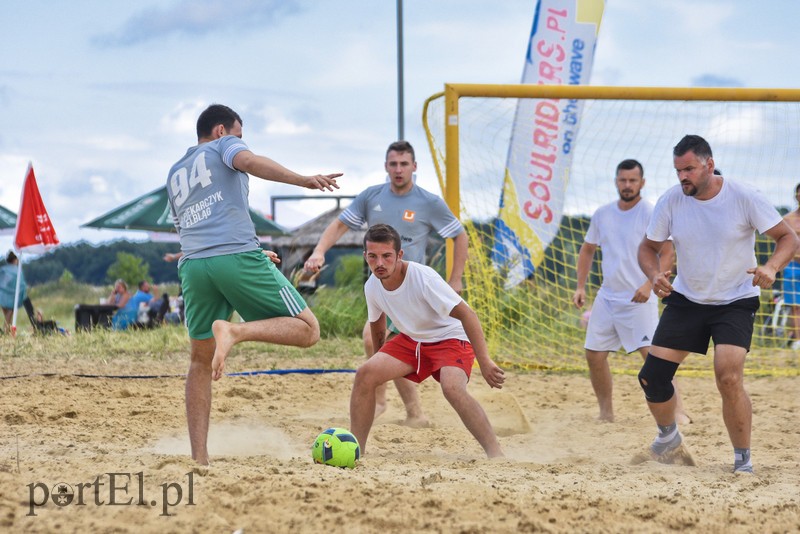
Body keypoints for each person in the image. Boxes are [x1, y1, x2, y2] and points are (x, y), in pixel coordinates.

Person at [166, 103, 341, 465]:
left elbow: (188, 229)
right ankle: (235, 331)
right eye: (239, 134)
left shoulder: (175, 171)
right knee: (308, 330)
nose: (241, 141)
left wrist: (252, 251)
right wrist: (303, 180)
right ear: (221, 130)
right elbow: (249, 161)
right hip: (235, 257)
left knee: (199, 362)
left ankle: (199, 458)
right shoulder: (223, 145)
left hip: (194, 266)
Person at [636, 134, 799, 473]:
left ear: (709, 165)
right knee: (652, 377)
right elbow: (647, 248)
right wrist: (653, 275)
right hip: (687, 299)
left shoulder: (744, 195)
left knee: (728, 377)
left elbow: (788, 237)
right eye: (678, 170)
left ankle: (743, 460)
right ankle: (668, 438)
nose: (683, 177)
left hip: (735, 300)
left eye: (689, 169)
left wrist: (771, 267)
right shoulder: (671, 200)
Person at [305, 140, 468, 427]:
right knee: (377, 340)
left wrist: (455, 280)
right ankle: (397, 406)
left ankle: (404, 408)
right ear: (385, 167)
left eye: (404, 164)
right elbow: (340, 224)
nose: (398, 169)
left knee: (381, 341)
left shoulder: (428, 202)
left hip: (414, 291)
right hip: (381, 288)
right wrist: (319, 251)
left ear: (414, 167)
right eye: (393, 164)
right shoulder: (372, 196)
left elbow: (459, 234)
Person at [349, 224, 505, 458]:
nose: (379, 263)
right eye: (373, 256)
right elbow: (377, 325)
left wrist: (484, 361)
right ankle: (355, 451)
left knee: (452, 388)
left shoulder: (423, 277)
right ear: (365, 256)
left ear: (399, 255)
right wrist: (379, 364)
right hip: (413, 340)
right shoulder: (372, 285)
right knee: (365, 374)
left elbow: (468, 315)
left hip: (450, 336)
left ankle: (496, 454)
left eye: (386, 256)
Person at [573, 159, 689, 424]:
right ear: (616, 181)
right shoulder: (602, 213)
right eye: (623, 180)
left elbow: (667, 252)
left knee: (655, 358)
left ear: (642, 183)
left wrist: (650, 285)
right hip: (607, 296)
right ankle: (606, 413)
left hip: (640, 297)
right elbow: (587, 249)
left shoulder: (651, 212)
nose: (627, 185)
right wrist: (580, 286)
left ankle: (678, 411)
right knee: (594, 355)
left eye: (632, 180)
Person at [781, 183, 800, 349]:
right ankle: (797, 340)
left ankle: (793, 335)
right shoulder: (788, 219)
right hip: (793, 266)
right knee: (795, 305)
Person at [0, 251, 26, 332]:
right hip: (11, 298)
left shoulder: (3, 270)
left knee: (8, 317)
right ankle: (5, 333)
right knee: (8, 317)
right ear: (15, 260)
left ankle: (8, 333)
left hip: (2, 297)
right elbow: (21, 285)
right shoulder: (17, 271)